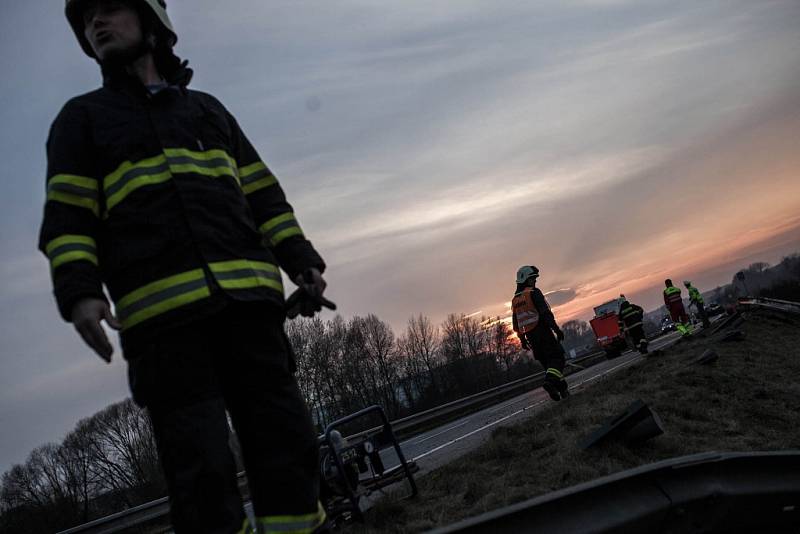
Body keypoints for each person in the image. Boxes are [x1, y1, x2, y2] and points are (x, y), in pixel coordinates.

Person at [38, 1, 329, 532]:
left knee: (288, 450)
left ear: (152, 22)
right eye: (86, 20)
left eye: (110, 9)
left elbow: (265, 198)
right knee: (202, 477)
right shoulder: (81, 122)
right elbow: (67, 221)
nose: (96, 24)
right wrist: (80, 292)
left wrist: (302, 262)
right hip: (165, 332)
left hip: (250, 314)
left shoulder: (209, 112)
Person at [511, 266, 569, 401]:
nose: (535, 281)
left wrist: (522, 340)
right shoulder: (533, 292)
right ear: (525, 279)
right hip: (543, 332)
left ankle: (562, 391)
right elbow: (545, 312)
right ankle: (550, 384)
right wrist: (556, 329)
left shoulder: (515, 300)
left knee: (550, 366)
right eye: (532, 279)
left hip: (531, 338)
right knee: (558, 359)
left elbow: (516, 324)